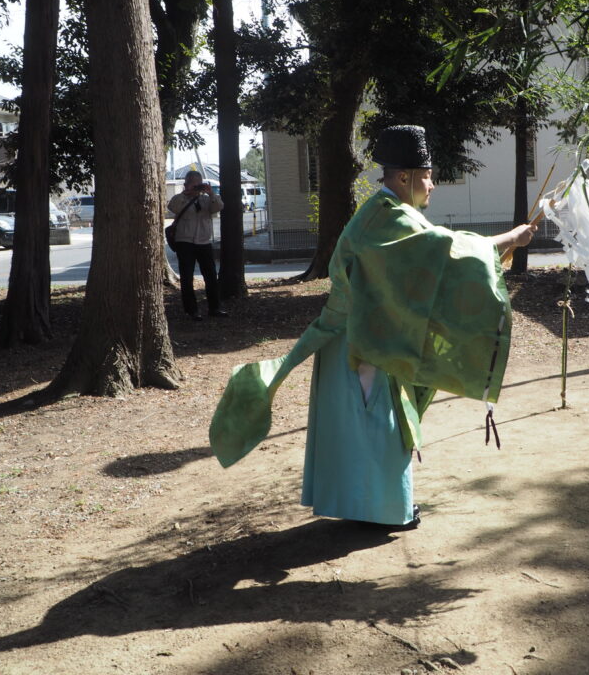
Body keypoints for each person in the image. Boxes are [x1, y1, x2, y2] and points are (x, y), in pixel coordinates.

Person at [209, 125, 536, 529]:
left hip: (365, 334)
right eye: (428, 175)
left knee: (364, 427)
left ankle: (367, 507)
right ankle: (385, 512)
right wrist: (510, 238)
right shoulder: (386, 217)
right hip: (363, 341)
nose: (432, 185)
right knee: (381, 426)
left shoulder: (386, 213)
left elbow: (431, 261)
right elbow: (448, 250)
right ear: (405, 177)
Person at [168, 171, 227, 321]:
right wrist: (185, 194)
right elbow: (172, 207)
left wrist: (210, 193)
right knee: (187, 278)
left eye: (198, 182)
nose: (195, 185)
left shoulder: (207, 200)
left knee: (211, 276)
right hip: (184, 242)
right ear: (186, 184)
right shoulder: (180, 198)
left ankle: (214, 308)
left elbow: (219, 206)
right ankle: (191, 310)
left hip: (204, 241)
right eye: (192, 182)